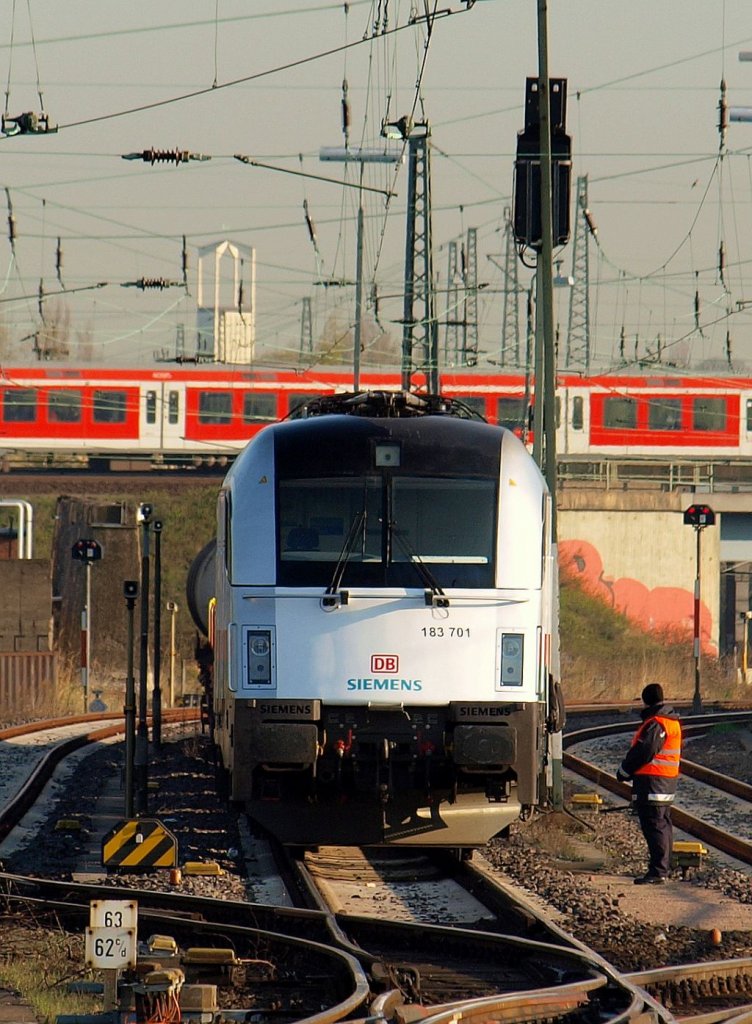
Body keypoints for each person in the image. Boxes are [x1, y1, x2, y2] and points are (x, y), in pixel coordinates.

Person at [616, 682, 682, 885]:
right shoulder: (668, 720)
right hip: (663, 781)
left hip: (654, 782)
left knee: (655, 825)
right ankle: (663, 867)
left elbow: (644, 751)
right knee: (662, 824)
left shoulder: (657, 723)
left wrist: (625, 770)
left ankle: (658, 871)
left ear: (646, 700)